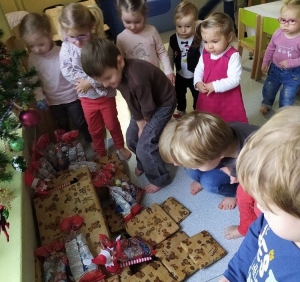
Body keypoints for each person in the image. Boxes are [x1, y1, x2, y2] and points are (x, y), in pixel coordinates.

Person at [80, 37, 176, 193]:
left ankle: (160, 178)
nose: (105, 84)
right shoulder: (118, 76)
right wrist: (139, 123)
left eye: (107, 78)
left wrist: (143, 125)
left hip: (162, 104)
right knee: (131, 138)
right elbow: (130, 100)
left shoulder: (137, 78)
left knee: (145, 145)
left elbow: (148, 107)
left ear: (120, 62)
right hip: (143, 104)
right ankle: (144, 163)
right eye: (101, 80)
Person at [220, 106, 300, 282]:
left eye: (269, 207)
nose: (260, 207)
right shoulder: (273, 222)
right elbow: (255, 239)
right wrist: (231, 276)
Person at [59, 3, 131, 159]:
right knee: (95, 129)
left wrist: (90, 82)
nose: (77, 41)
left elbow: (107, 69)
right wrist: (82, 82)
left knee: (112, 124)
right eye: (72, 37)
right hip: (86, 99)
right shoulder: (66, 47)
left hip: (105, 95)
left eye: (82, 35)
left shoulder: (98, 43)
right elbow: (66, 69)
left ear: (90, 27)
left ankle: (120, 146)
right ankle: (100, 152)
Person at [19, 13, 92, 145]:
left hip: (72, 96)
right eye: (31, 46)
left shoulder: (62, 52)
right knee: (62, 123)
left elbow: (76, 70)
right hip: (53, 100)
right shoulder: (33, 59)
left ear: (50, 35)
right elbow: (33, 80)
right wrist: (39, 97)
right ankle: (68, 144)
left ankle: (90, 139)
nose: (37, 49)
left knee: (80, 120)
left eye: (41, 44)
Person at [159, 111, 258, 210]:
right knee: (191, 171)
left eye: (197, 164)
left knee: (209, 183)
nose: (176, 164)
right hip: (230, 161)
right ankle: (202, 178)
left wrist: (237, 174)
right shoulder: (219, 138)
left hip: (248, 168)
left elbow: (259, 184)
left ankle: (233, 193)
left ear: (218, 155)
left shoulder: (251, 157)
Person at [194, 12, 248, 123]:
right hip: (208, 96)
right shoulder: (205, 52)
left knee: (229, 121)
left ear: (229, 37)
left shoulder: (233, 55)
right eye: (205, 41)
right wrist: (198, 82)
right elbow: (199, 69)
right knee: (208, 119)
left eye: (215, 41)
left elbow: (235, 79)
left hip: (227, 98)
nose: (209, 46)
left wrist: (214, 86)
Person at [116, 0, 175, 84]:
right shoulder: (121, 39)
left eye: (137, 22)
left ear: (144, 16)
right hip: (136, 82)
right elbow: (120, 63)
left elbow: (161, 52)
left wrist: (168, 70)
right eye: (127, 22)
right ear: (120, 17)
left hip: (155, 76)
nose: (133, 27)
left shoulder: (152, 31)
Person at [259, 0, 300, 114]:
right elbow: (270, 48)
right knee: (269, 89)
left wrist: (291, 63)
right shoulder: (278, 33)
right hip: (275, 69)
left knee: (287, 96)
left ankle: (283, 113)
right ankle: (266, 103)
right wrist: (265, 62)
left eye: (292, 21)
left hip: (293, 73)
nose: (285, 24)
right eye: (282, 20)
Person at [168, 1, 201, 118]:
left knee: (197, 94)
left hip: (195, 75)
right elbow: (170, 56)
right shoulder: (173, 39)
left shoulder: (199, 38)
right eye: (179, 26)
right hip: (180, 74)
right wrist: (170, 71)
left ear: (195, 24)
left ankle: (197, 111)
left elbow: (204, 57)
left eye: (188, 26)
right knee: (179, 94)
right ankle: (181, 109)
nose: (183, 30)